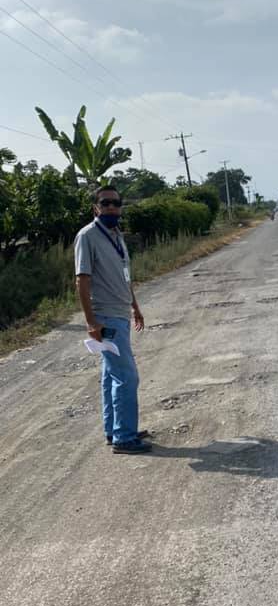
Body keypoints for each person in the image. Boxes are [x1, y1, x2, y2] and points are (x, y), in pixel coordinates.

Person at [74, 186, 152, 453]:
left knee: (111, 375)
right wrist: (91, 322)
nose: (111, 207)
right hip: (105, 317)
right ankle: (124, 437)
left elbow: (125, 277)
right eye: (105, 203)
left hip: (120, 313)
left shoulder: (117, 236)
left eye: (116, 203)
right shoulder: (87, 236)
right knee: (127, 377)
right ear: (95, 207)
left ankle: (115, 429)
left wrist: (135, 306)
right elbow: (82, 281)